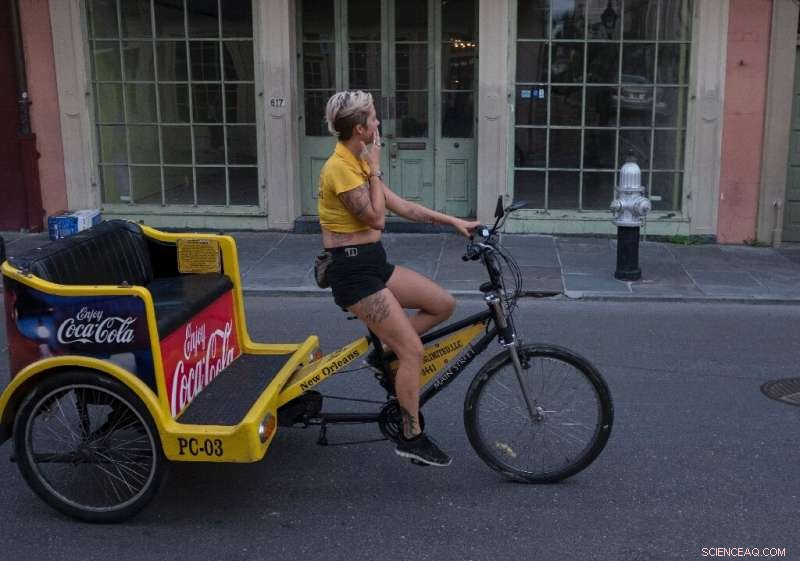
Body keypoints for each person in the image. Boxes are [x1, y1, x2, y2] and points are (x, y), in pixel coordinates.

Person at [318, 90, 480, 467]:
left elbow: (402, 206)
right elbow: (376, 218)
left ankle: (384, 355)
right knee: (413, 350)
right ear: (360, 129)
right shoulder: (341, 168)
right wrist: (375, 168)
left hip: (375, 264)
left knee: (442, 303)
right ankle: (412, 436)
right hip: (354, 274)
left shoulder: (356, 161)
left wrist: (454, 222)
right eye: (374, 119)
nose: (379, 124)